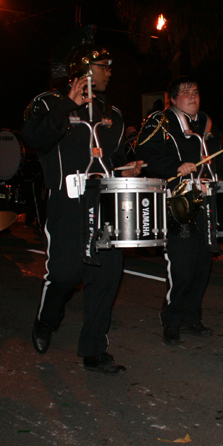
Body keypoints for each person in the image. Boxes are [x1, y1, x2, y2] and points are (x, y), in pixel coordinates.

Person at [22, 43, 144, 375]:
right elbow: (34, 139)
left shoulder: (113, 113)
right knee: (65, 275)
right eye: (104, 65)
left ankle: (94, 350)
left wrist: (127, 169)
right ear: (84, 69)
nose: (109, 71)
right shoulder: (48, 103)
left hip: (106, 206)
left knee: (105, 278)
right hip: (67, 205)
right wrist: (67, 105)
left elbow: (115, 159)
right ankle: (47, 319)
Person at [135, 76, 223, 346]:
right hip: (178, 202)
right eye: (186, 92)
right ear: (173, 99)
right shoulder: (160, 122)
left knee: (202, 264)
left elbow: (218, 163)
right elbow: (144, 155)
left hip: (207, 202)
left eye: (195, 92)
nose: (192, 96)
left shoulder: (208, 124)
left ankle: (191, 318)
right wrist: (175, 167)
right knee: (182, 266)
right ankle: (172, 320)